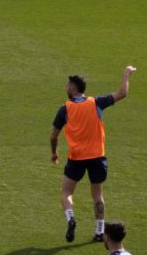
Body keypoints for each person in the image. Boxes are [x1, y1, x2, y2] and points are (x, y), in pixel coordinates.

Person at [54, 66, 136, 244]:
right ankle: (99, 232)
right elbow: (122, 93)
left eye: (68, 85)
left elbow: (53, 135)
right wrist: (126, 74)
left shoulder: (65, 109)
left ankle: (71, 219)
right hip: (97, 156)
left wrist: (54, 152)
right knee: (97, 195)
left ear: (73, 88)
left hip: (76, 157)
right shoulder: (96, 102)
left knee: (67, 192)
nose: (66, 88)